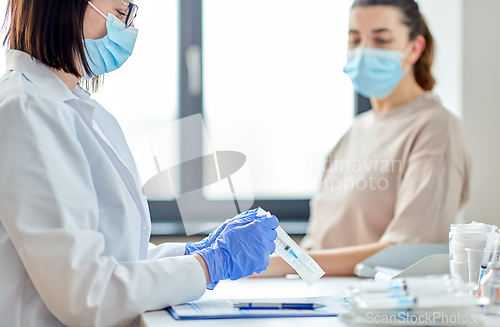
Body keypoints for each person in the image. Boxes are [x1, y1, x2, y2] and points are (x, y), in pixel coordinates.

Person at [0, 1, 278, 326]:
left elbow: (118, 257)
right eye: (120, 13)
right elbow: (84, 293)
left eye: (129, 14)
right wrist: (209, 264)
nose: (128, 22)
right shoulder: (26, 112)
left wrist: (192, 254)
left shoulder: (80, 112)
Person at [255, 0, 471, 277]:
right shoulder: (355, 131)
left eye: (381, 39)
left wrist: (279, 265)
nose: (364, 51)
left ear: (415, 48)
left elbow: (410, 251)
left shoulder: (436, 128)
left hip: (376, 310)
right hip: (321, 304)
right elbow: (320, 241)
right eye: (355, 39)